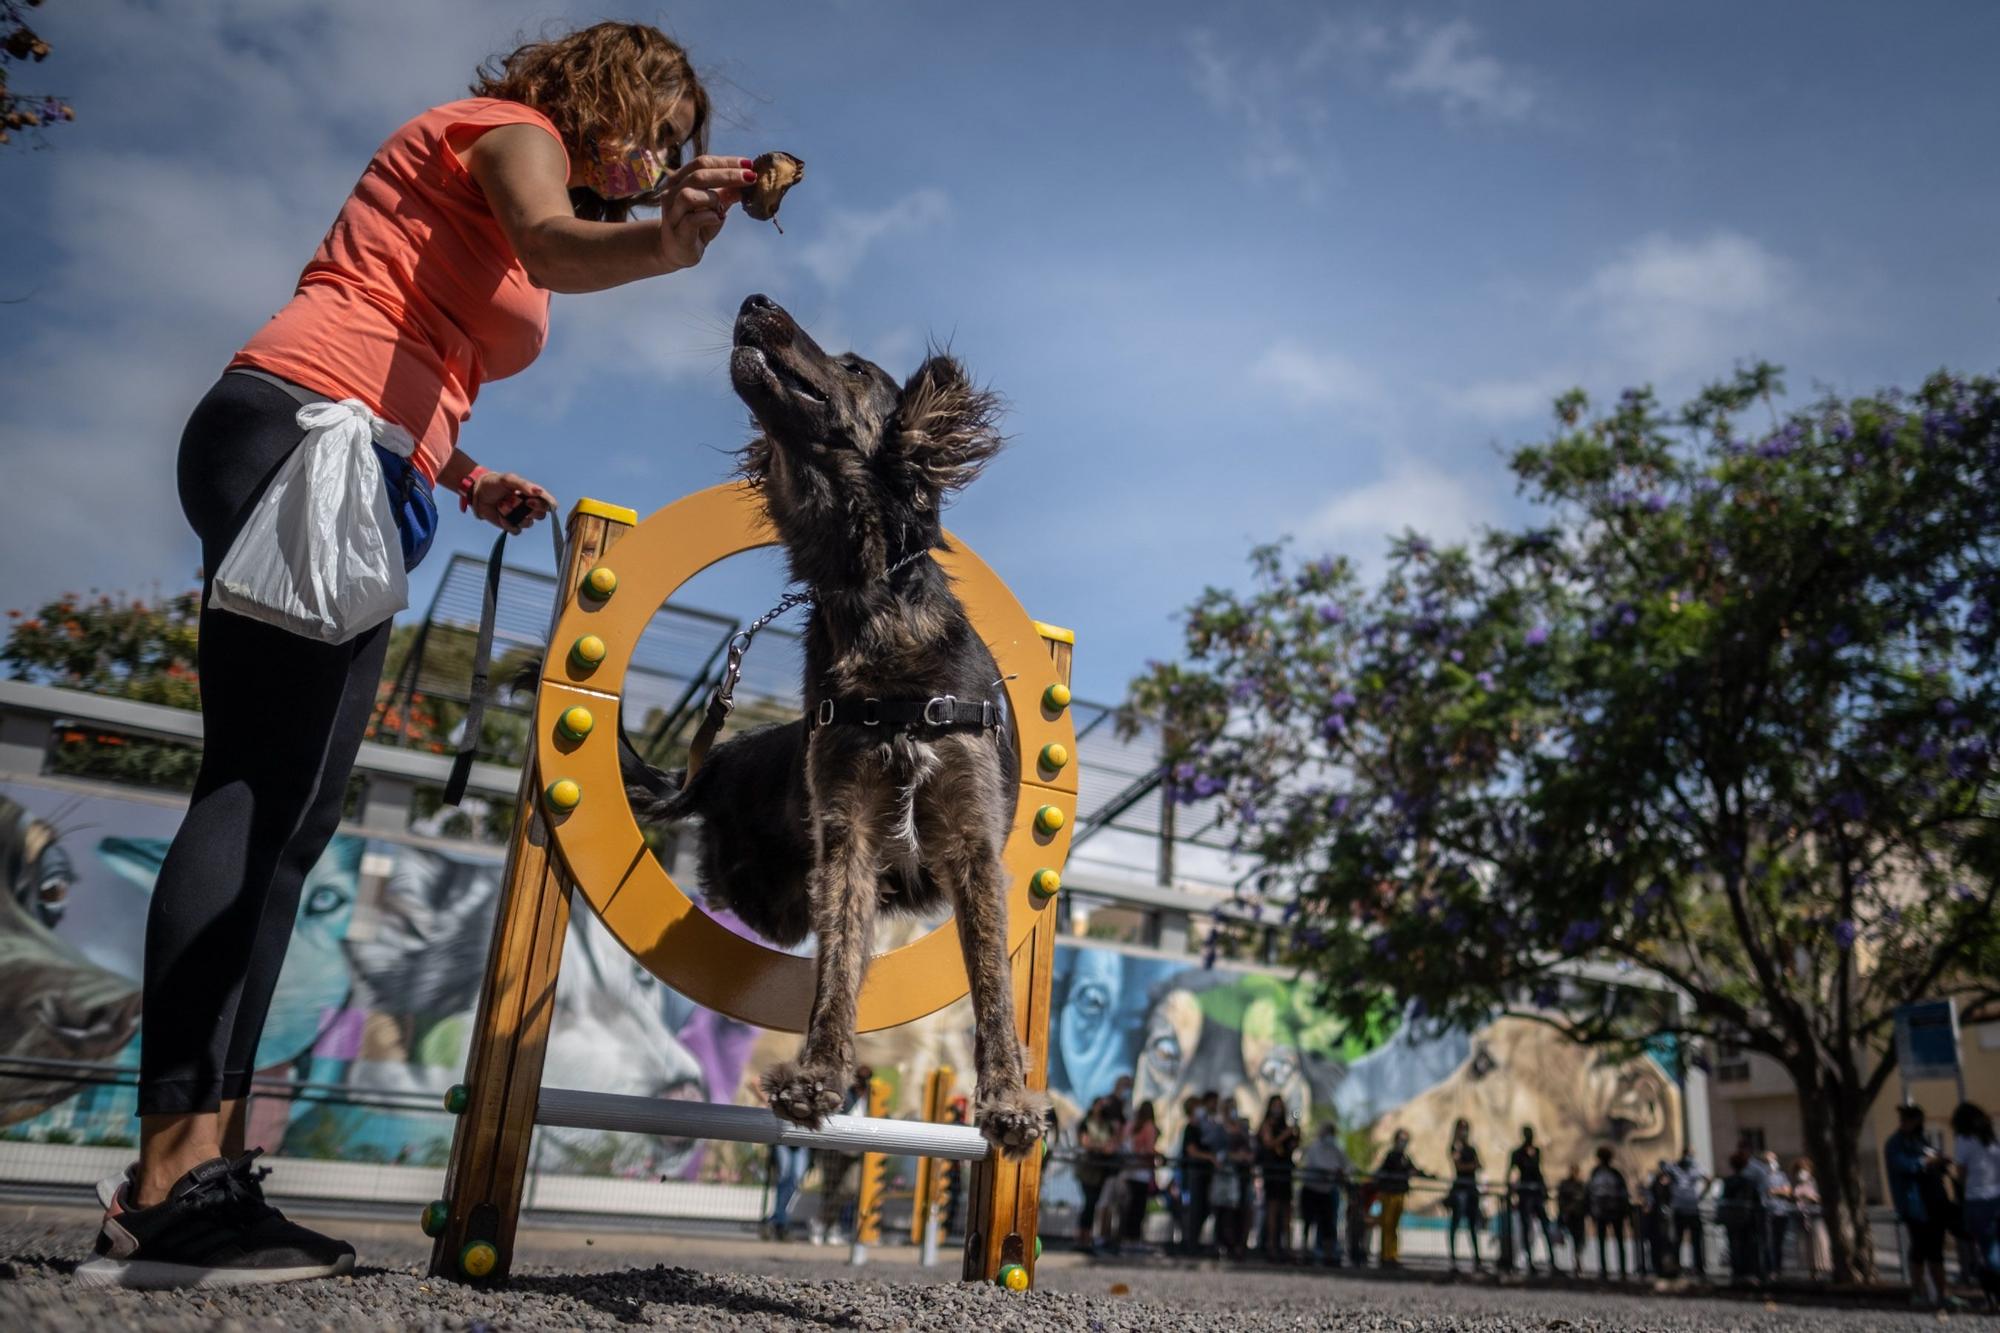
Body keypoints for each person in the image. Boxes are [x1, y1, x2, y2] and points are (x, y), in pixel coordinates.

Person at [78, 21, 750, 1292]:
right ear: (598, 95)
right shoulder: (509, 133)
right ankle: (168, 1184)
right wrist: (666, 244)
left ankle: (196, 1176)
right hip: (306, 431)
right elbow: (549, 248)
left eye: (675, 153)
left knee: (291, 814)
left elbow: (413, 332)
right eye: (655, 131)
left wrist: (466, 470)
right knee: (256, 791)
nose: (658, 159)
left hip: (358, 453)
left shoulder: (497, 169)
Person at [1886, 1102, 1955, 1310]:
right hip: (1915, 1204)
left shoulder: (1921, 1140)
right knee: (1919, 1248)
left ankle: (1942, 1293)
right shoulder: (1896, 1144)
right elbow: (1904, 1166)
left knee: (1936, 1249)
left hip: (1934, 1201)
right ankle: (1918, 1291)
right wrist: (1926, 1163)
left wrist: (1940, 1163)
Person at [813, 1066, 876, 1245]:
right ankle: (829, 1226)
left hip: (858, 1151)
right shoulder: (844, 1094)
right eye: (860, 1077)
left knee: (850, 1188)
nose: (863, 1081)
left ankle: (821, 1220)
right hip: (836, 1148)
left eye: (867, 1078)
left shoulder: (873, 1098)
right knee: (831, 1187)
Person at [1952, 1102, 2000, 1311]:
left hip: (1977, 1200)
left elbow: (1961, 1174)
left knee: (1988, 1251)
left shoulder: (1964, 1141)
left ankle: (1995, 1298)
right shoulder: (1992, 1141)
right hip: (1998, 1197)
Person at [1372, 1128, 1430, 1268]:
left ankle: (1393, 1256)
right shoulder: (1391, 1156)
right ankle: (1385, 1257)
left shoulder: (1405, 1157)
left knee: (1394, 1227)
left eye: (1405, 1140)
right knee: (1388, 1226)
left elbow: (1413, 1170)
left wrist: (1427, 1175)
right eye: (1401, 1139)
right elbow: (1391, 1170)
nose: (1403, 1143)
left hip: (1400, 1194)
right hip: (1389, 1195)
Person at [1298, 1121, 1351, 1267]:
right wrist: (1332, 1171)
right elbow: (1312, 1164)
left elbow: (1347, 1165)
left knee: (1328, 1224)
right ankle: (1305, 1252)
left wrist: (1339, 1172)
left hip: (1327, 1191)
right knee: (1308, 1222)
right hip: (1311, 1189)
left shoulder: (1336, 1148)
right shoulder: (1314, 1147)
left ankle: (1328, 1254)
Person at [1508, 1126, 1559, 1277]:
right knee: (1526, 1228)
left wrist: (1543, 1190)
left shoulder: (1535, 1151)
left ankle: (1552, 1260)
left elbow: (1537, 1170)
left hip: (1535, 1193)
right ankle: (1529, 1261)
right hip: (1525, 1194)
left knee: (1545, 1226)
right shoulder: (1518, 1153)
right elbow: (1512, 1171)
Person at [1075, 1096, 1121, 1254]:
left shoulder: (1108, 1125)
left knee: (1094, 1204)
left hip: (1101, 1171)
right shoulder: (1086, 1123)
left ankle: (1087, 1238)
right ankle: (1083, 1237)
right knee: (1089, 1203)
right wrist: (1101, 1147)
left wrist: (1098, 1147)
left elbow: (1112, 1146)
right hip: (1087, 1170)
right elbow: (1085, 1143)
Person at [1257, 1095, 1301, 1259]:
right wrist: (1286, 1134)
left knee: (1286, 1211)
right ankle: (1271, 1246)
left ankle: (1287, 1247)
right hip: (1272, 1171)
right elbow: (1269, 1143)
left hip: (1285, 1171)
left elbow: (1292, 1147)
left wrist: (1296, 1135)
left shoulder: (1285, 1126)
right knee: (1273, 1209)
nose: (1278, 1109)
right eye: (1275, 1105)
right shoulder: (1267, 1125)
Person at [1177, 1093, 1218, 1255]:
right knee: (1194, 1209)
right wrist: (1210, 1157)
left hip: (1204, 1174)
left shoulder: (1204, 1127)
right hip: (1193, 1174)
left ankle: (1194, 1241)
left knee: (1204, 1208)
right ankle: (1190, 1243)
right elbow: (1192, 1151)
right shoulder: (1190, 1128)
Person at [1716, 1150, 1763, 1283]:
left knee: (1735, 1246)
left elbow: (1724, 1199)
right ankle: (1751, 1271)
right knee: (1749, 1246)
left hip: (1733, 1219)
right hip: (1747, 1219)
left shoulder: (1729, 1182)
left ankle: (1738, 1272)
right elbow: (1757, 1200)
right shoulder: (1749, 1182)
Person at [1444, 1118, 1484, 1273]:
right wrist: (1471, 1166)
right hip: (1460, 1190)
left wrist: (1471, 1166)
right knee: (1456, 1223)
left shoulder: (1471, 1149)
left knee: (1473, 1225)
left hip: (1471, 1189)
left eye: (1466, 1128)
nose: (1464, 1131)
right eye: (1461, 1128)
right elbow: (1459, 1166)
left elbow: (1479, 1165)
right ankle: (1453, 1258)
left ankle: (1477, 1259)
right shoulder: (1455, 1147)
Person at [1586, 1145, 1631, 1280]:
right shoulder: (1615, 1173)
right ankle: (1621, 1270)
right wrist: (1625, 1211)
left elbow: (1589, 1193)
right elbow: (1624, 1194)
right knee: (1618, 1242)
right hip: (1614, 1212)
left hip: (1602, 1213)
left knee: (1603, 1243)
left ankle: (1605, 1270)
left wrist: (1591, 1212)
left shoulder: (1596, 1173)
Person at [1120, 1100, 1161, 1249]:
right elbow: (1149, 1150)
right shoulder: (1149, 1126)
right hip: (1142, 1172)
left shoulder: (1131, 1125)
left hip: (1128, 1171)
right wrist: (1160, 1155)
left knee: (1128, 1207)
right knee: (1138, 1208)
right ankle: (1134, 1239)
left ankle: (1125, 1239)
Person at [1666, 1148, 1712, 1279]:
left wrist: (1701, 1196)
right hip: (1679, 1209)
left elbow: (1708, 1179)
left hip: (1692, 1209)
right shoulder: (1675, 1167)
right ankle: (1676, 1266)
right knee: (1678, 1239)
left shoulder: (1696, 1167)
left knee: (1696, 1240)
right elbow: (1664, 1173)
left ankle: (1699, 1266)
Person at [1790, 1157, 1831, 1280]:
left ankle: (1821, 1267)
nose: (1802, 1173)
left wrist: (1812, 1197)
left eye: (1804, 1170)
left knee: (1819, 1242)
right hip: (1802, 1217)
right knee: (1805, 1245)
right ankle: (1811, 1270)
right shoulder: (1796, 1185)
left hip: (1816, 1216)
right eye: (1799, 1170)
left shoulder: (1815, 1183)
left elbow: (1823, 1198)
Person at [764, 1141, 810, 1242]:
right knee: (784, 1179)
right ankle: (781, 1223)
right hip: (783, 1141)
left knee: (795, 1180)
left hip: (801, 1144)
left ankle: (777, 1220)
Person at [1758, 1149, 1794, 1277]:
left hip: (1781, 1212)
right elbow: (1766, 1192)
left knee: (1778, 1242)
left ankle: (1778, 1268)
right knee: (1768, 1242)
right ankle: (1769, 1269)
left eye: (1773, 1160)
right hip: (1767, 1212)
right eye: (1768, 1161)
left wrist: (1775, 1191)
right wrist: (1780, 1191)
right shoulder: (1761, 1177)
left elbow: (1788, 1192)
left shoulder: (1781, 1176)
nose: (1771, 1163)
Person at [1556, 1163, 1589, 1276]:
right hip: (1572, 1216)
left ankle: (1577, 1263)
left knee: (1579, 1241)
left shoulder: (1579, 1185)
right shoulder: (1571, 1185)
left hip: (1577, 1216)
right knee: (1576, 1241)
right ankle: (1575, 1263)